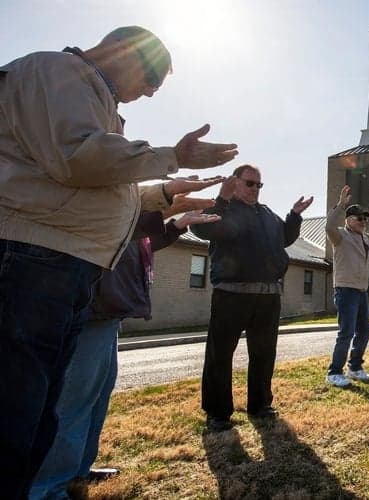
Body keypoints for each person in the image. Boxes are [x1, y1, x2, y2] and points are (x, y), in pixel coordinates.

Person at [0, 25, 238, 496]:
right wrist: (169, 156)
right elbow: (79, 157)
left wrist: (164, 192)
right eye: (151, 80)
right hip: (32, 260)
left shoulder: (93, 97)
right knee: (16, 412)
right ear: (122, 51)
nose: (149, 93)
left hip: (64, 266)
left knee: (42, 407)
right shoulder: (57, 70)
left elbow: (102, 182)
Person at [29, 205, 221, 499]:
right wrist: (165, 205)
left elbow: (141, 244)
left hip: (110, 311)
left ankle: (79, 468)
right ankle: (46, 488)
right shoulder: (106, 200)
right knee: (72, 402)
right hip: (92, 308)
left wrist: (176, 225)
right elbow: (116, 230)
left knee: (97, 397)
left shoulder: (128, 209)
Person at [191, 164, 313, 432]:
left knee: (263, 353)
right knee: (220, 355)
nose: (255, 189)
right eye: (250, 183)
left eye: (259, 185)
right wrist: (221, 200)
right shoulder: (223, 208)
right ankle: (218, 413)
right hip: (231, 296)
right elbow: (203, 229)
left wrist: (293, 216)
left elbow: (284, 238)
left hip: (267, 297)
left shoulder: (266, 213)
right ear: (235, 183)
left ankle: (260, 405)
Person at [324, 185, 369, 387]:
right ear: (348, 220)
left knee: (364, 331)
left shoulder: (367, 238)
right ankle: (334, 372)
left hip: (362, 291)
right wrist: (341, 204)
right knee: (346, 332)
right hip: (346, 290)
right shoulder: (340, 236)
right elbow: (328, 226)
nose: (364, 222)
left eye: (365, 218)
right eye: (359, 218)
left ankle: (354, 367)